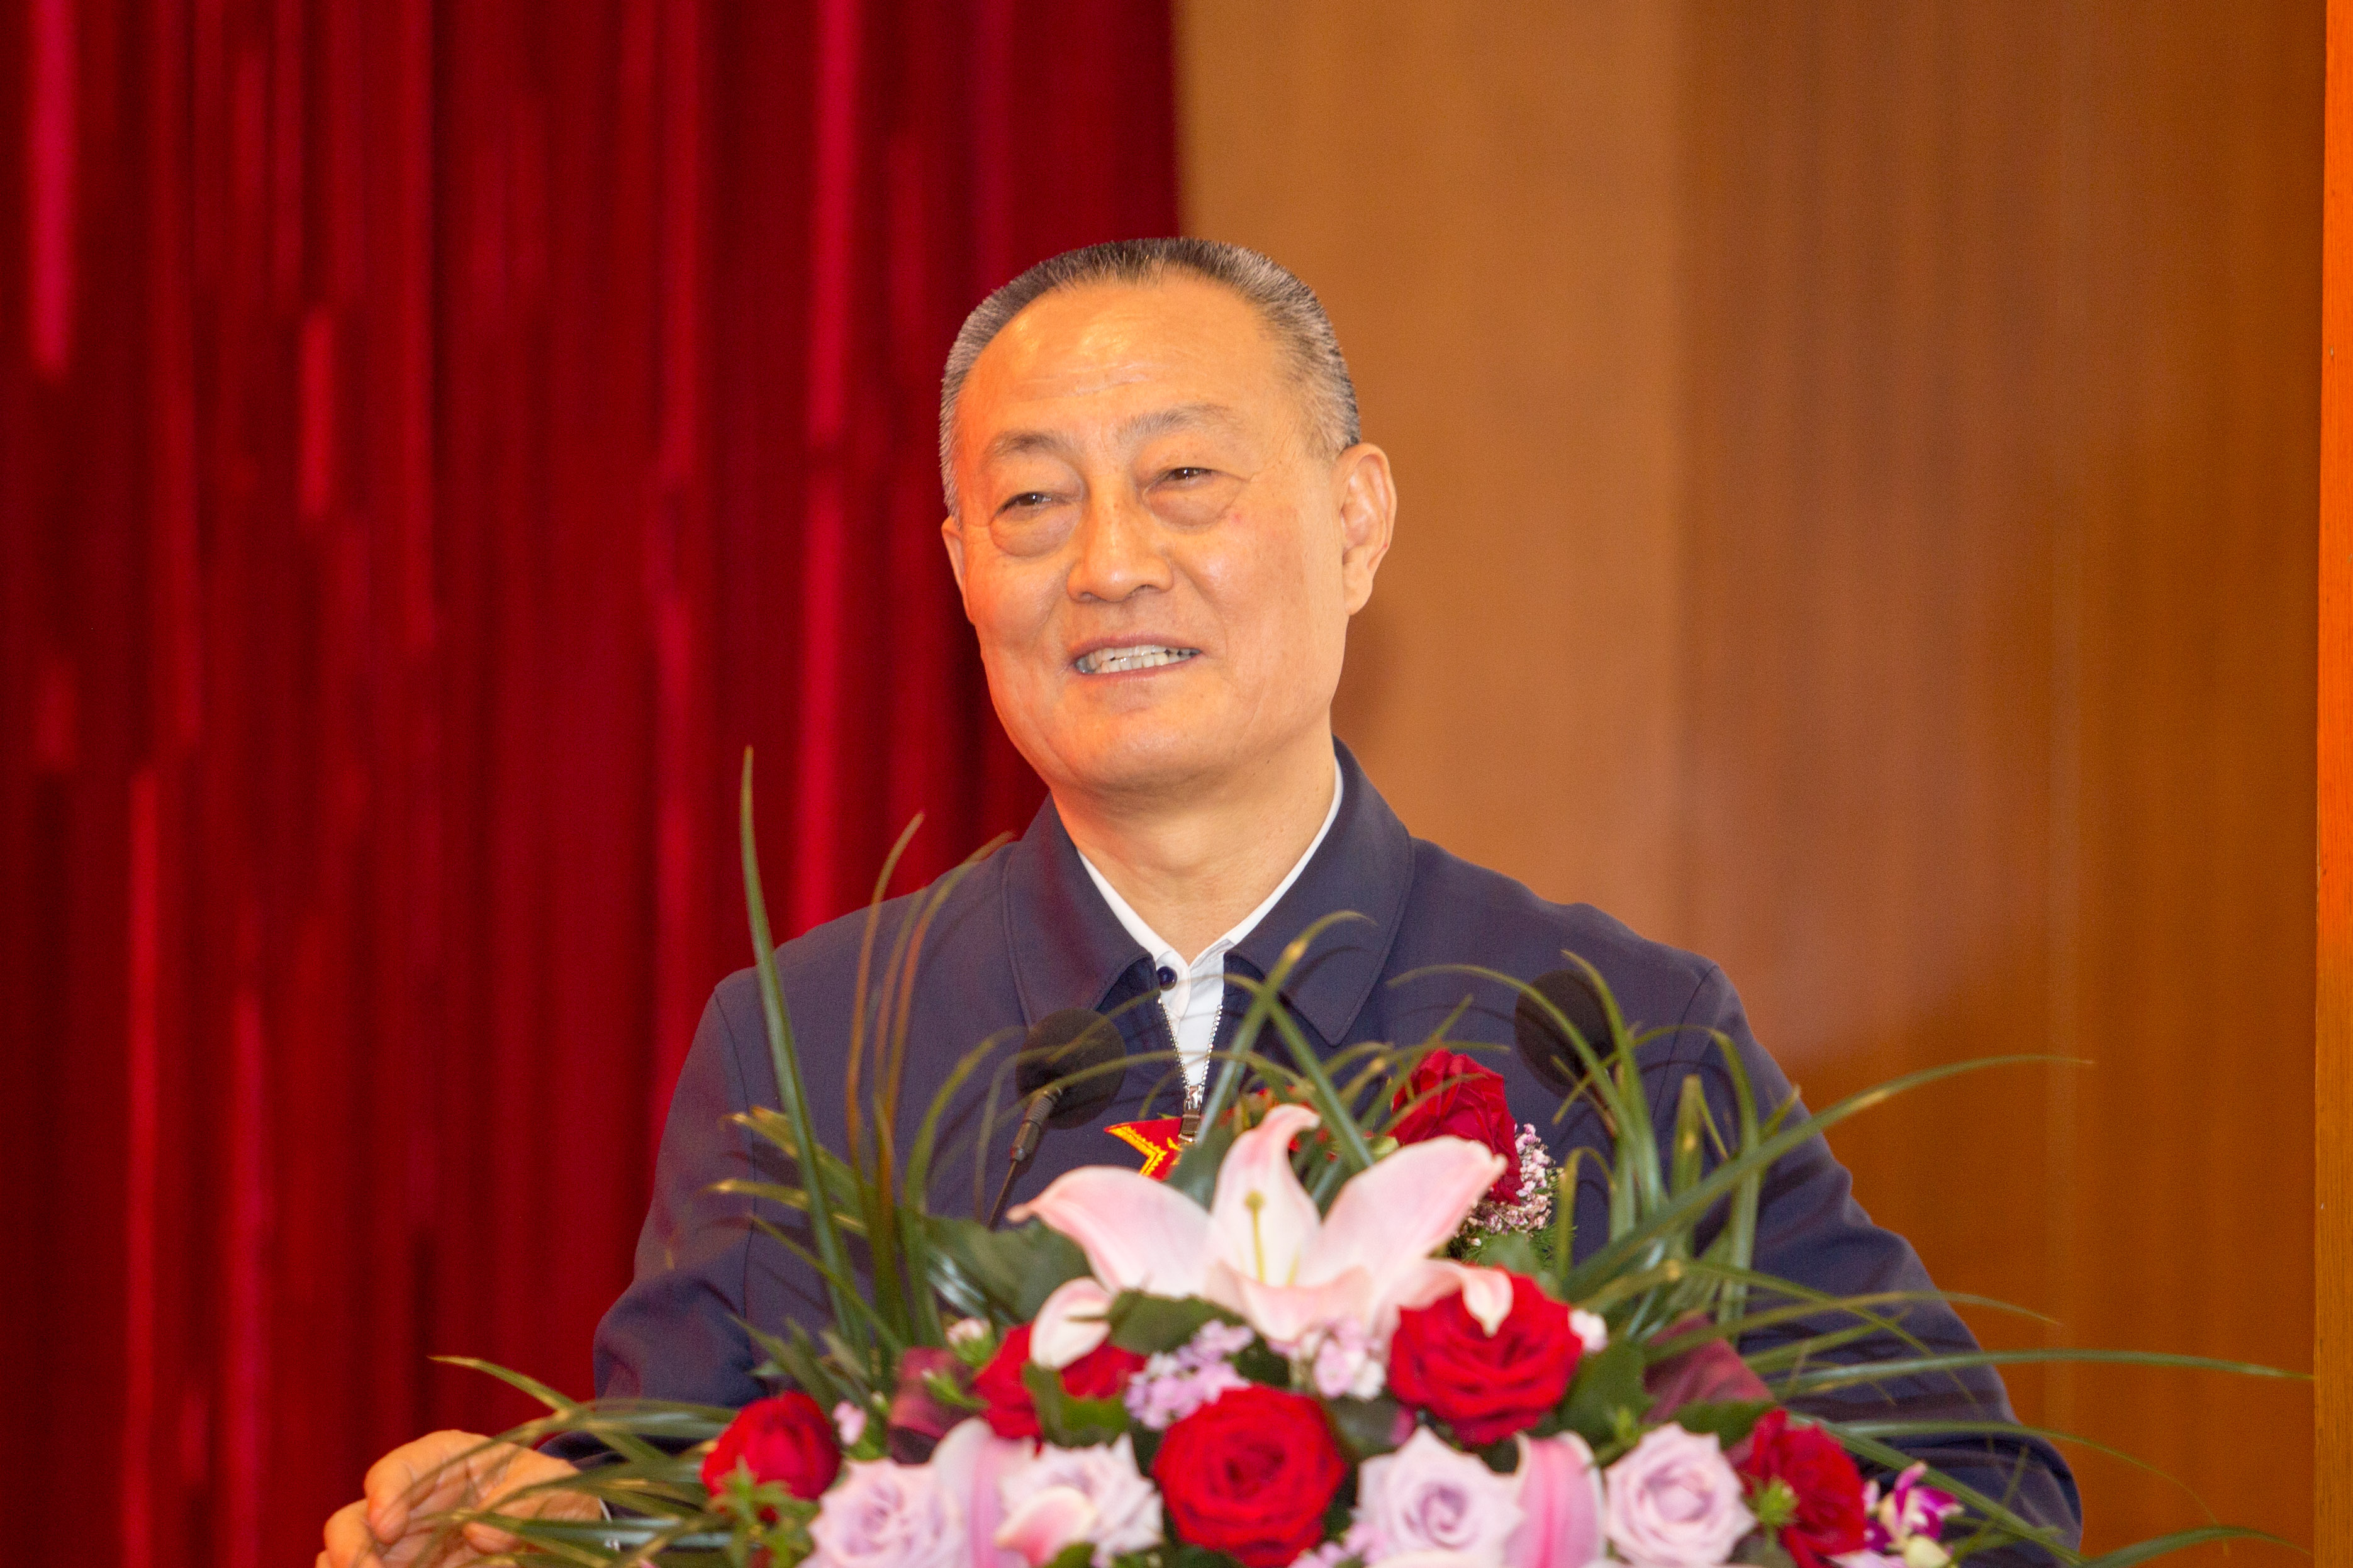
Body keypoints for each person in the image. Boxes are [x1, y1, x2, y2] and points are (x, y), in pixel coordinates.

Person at [321, 239, 2082, 1566]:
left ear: (1356, 523)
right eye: (1031, 502)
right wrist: (538, 1518)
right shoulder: (819, 1039)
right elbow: (676, 1484)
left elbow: (1977, 1506)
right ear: (958, 568)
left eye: (1182, 479)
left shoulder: (1607, 1026)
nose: (1109, 563)